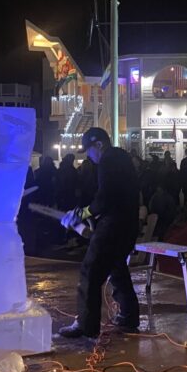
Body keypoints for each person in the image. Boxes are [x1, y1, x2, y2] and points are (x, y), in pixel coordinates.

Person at [58, 127, 141, 339]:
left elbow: (105, 198)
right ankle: (129, 316)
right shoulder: (121, 157)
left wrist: (84, 212)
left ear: (99, 144)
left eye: (89, 151)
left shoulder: (108, 160)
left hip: (113, 226)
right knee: (117, 267)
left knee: (90, 271)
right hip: (128, 225)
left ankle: (86, 325)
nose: (89, 156)